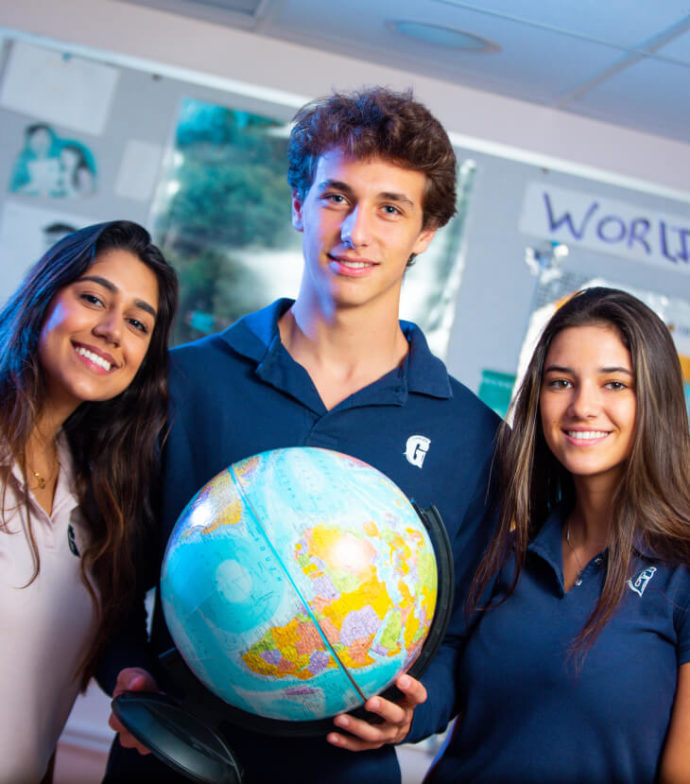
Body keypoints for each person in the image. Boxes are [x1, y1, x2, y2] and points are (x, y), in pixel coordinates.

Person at [100, 87, 500, 784]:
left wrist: (418, 714)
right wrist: (127, 669)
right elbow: (109, 576)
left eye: (391, 208)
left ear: (425, 233)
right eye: (336, 197)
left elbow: (466, 639)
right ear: (298, 205)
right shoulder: (181, 382)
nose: (357, 233)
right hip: (175, 758)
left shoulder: (474, 436)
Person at [425, 287, 690, 784]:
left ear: (654, 399)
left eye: (615, 384)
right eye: (561, 381)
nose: (582, 407)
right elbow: (453, 694)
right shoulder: (504, 546)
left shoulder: (683, 575)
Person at [0, 220, 178, 783]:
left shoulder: (97, 495)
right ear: (44, 294)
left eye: (136, 323)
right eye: (93, 298)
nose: (110, 330)